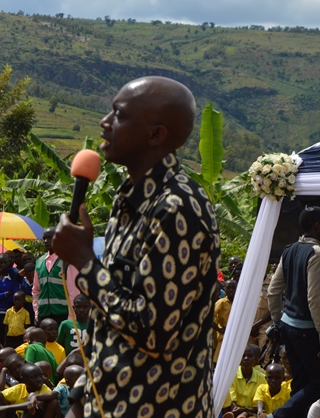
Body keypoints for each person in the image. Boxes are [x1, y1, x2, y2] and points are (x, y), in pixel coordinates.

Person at [53, 76, 220, 418]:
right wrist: (81, 398)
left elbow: (152, 330)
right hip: (105, 403)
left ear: (155, 135)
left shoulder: (176, 208)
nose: (105, 122)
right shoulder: (129, 199)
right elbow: (110, 317)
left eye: (120, 114)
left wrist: (85, 262)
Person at [267, 206, 320, 417]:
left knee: (301, 381)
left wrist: (277, 322)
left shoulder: (289, 249)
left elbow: (273, 290)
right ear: (317, 226)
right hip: (307, 329)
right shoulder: (317, 254)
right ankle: (277, 415)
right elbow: (314, 298)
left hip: (288, 325)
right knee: (319, 384)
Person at [32, 228, 79, 327]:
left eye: (50, 238)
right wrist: (37, 312)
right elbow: (36, 291)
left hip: (63, 315)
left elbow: (74, 293)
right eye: (44, 238)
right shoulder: (39, 262)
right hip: (43, 316)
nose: (46, 241)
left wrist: (71, 318)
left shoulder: (68, 261)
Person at [214, 279, 237, 362]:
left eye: (233, 288)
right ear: (224, 289)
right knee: (219, 358)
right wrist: (219, 329)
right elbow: (210, 317)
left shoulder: (239, 302)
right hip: (224, 334)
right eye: (228, 288)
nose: (231, 290)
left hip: (236, 333)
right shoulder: (221, 302)